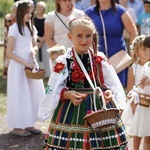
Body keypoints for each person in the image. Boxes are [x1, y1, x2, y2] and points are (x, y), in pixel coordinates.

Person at [38, 17, 128, 149]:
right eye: (79, 36)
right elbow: (54, 87)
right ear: (70, 36)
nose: (84, 40)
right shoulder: (64, 61)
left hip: (99, 109)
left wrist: (108, 92)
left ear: (93, 36)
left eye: (88, 36)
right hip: (72, 109)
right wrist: (68, 94)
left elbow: (110, 83)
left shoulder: (100, 58)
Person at [6, 0, 45, 137]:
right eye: (27, 12)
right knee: (20, 94)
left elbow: (34, 45)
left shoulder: (31, 28)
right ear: (21, 12)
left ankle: (29, 123)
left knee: (31, 93)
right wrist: (25, 63)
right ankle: (17, 126)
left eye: (31, 12)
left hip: (30, 64)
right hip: (19, 66)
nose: (30, 15)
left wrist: (34, 50)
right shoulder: (14, 29)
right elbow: (9, 52)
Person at [85, 0, 138, 86]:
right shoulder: (89, 13)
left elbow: (133, 32)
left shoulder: (121, 11)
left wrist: (132, 56)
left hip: (119, 59)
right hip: (97, 58)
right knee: (100, 89)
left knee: (118, 90)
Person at [121, 35, 150, 150]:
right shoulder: (134, 67)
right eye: (144, 49)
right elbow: (130, 88)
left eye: (147, 49)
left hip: (147, 102)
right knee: (137, 130)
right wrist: (133, 102)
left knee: (147, 132)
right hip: (139, 102)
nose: (146, 52)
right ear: (136, 51)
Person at [34, 1, 50, 78]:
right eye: (39, 7)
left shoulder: (47, 18)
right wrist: (38, 39)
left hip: (46, 41)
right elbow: (32, 30)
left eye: (42, 7)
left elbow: (48, 29)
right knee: (36, 58)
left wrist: (43, 39)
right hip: (35, 41)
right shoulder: (33, 18)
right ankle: (37, 73)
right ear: (35, 8)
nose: (40, 9)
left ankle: (46, 74)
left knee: (46, 57)